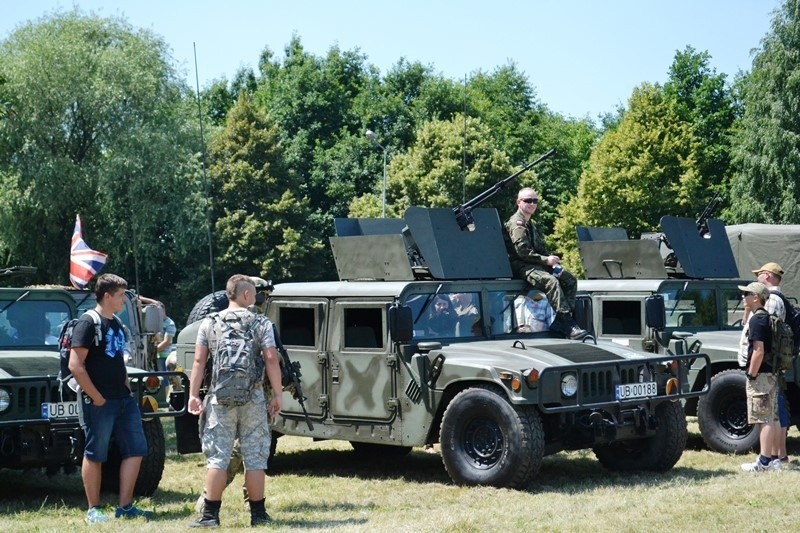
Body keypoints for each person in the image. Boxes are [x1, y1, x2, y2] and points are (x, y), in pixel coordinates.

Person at [187, 274, 283, 528]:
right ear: (247, 295)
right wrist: (277, 394)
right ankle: (258, 515)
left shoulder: (209, 323)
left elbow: (198, 362)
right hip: (253, 398)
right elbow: (271, 358)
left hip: (220, 398)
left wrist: (193, 394)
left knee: (218, 458)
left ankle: (210, 516)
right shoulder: (262, 322)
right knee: (255, 459)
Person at [67, 273, 153, 523]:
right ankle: (94, 509)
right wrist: (97, 398)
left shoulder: (116, 323)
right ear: (106, 296)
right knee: (95, 453)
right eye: (120, 296)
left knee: (136, 450)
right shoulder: (87, 323)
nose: (123, 301)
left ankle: (125, 507)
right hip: (99, 402)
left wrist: (126, 390)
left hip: (123, 400)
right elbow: (75, 365)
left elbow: (119, 361)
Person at [503, 187, 588, 340]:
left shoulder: (530, 224)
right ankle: (568, 323)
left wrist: (552, 261)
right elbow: (522, 252)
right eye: (528, 200)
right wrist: (545, 260)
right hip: (521, 266)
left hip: (535, 264)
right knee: (551, 281)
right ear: (518, 202)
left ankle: (560, 321)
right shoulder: (517, 223)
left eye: (535, 201)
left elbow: (540, 248)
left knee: (570, 280)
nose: (532, 204)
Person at [738, 281, 781, 473]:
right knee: (770, 417)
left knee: (763, 419)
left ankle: (764, 462)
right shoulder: (767, 318)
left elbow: (758, 350)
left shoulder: (757, 320)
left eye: (746, 294)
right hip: (771, 374)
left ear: (756, 298)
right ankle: (771, 459)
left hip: (761, 375)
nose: (743, 297)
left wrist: (751, 374)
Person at [754, 262, 790, 466]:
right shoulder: (778, 298)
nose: (757, 278)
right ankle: (778, 455)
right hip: (774, 359)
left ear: (767, 276)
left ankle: (776, 456)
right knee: (776, 407)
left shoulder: (772, 300)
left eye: (759, 274)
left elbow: (767, 332)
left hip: (769, 360)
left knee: (774, 409)